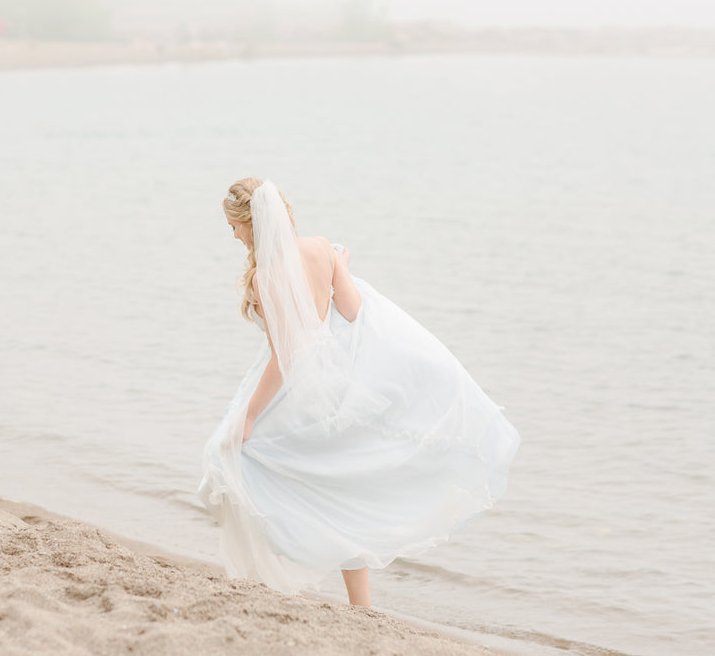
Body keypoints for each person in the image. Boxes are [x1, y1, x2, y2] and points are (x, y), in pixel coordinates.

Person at [198, 177, 520, 607]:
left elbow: (284, 358)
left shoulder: (266, 277)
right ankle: (359, 605)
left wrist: (252, 415)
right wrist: (340, 267)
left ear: (250, 224)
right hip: (336, 388)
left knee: (232, 459)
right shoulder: (319, 248)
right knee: (338, 489)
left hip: (295, 393)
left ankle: (272, 573)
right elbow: (351, 310)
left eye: (234, 227)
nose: (233, 236)